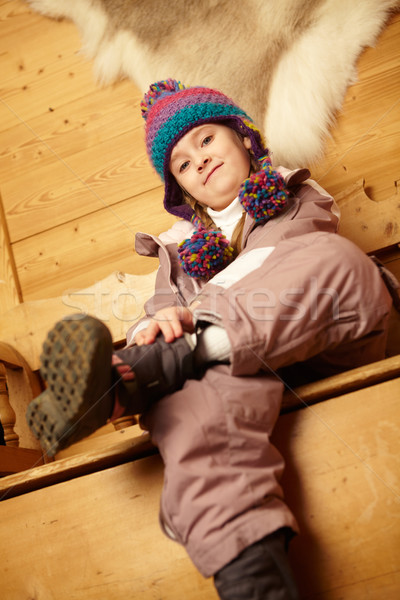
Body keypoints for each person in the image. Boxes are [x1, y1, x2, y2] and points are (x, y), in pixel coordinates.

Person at [27, 79, 393, 599]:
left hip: (322, 344)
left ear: (244, 139)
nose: (197, 161)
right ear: (183, 192)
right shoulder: (178, 257)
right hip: (240, 374)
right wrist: (151, 328)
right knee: (193, 399)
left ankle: (138, 375)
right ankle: (254, 583)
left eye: (204, 140)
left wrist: (190, 320)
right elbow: (154, 314)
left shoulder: (295, 199)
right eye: (181, 164)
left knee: (342, 263)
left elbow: (285, 265)